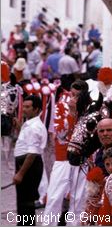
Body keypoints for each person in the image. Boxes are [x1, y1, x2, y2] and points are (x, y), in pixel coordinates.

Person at [42, 80, 89, 226]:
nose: (73, 98)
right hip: (63, 158)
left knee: (77, 200)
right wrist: (71, 113)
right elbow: (60, 134)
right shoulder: (61, 106)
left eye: (78, 96)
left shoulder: (89, 109)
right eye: (72, 94)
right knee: (54, 197)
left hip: (82, 160)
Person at [13, 95, 48, 226]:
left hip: (29, 165)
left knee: (26, 203)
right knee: (23, 201)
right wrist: (19, 127)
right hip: (26, 163)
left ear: (36, 109)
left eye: (28, 107)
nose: (24, 109)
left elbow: (32, 153)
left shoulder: (35, 127)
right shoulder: (30, 125)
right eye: (25, 106)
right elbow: (26, 142)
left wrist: (20, 173)